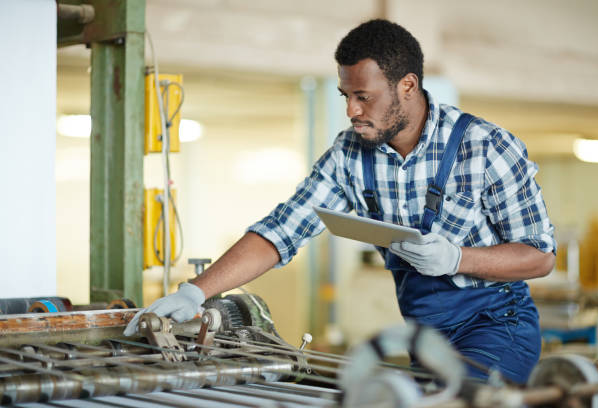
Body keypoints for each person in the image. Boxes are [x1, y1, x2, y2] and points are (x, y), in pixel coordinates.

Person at [124, 19, 556, 384]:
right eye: (345, 96)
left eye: (363, 96)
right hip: (425, 334)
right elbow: (281, 231)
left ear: (407, 85)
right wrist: (197, 292)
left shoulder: (486, 147)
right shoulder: (349, 154)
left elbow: (539, 257)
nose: (351, 110)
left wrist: (457, 258)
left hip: (498, 325)